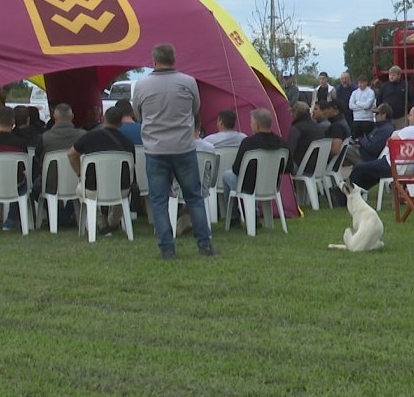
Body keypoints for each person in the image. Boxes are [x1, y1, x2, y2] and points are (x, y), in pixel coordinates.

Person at [133, 43, 216, 259]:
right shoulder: (188, 82)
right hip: (183, 147)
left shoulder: (142, 85)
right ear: (174, 59)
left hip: (155, 149)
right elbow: (195, 108)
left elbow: (138, 112)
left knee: (159, 200)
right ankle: (204, 245)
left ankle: (167, 248)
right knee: (194, 198)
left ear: (154, 60)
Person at [67, 106, 136, 235]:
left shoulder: (89, 137)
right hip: (121, 188)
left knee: (80, 190)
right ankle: (113, 222)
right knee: (123, 192)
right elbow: (132, 167)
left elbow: (71, 154)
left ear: (103, 119)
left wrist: (80, 174)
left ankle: (100, 223)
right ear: (121, 123)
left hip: (93, 188)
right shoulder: (127, 142)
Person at [220, 108, 290, 226]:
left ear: (257, 125)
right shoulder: (282, 144)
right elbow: (287, 169)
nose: (250, 125)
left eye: (251, 122)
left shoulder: (248, 143)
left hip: (249, 186)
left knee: (227, 175)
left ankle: (234, 217)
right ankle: (254, 215)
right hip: (271, 185)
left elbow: (236, 169)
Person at [348, 105, 414, 192]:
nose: (408, 118)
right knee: (370, 173)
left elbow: (389, 142)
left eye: (410, 115)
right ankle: (359, 192)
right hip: (412, 169)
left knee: (358, 168)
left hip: (393, 166)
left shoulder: (410, 131)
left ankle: (347, 196)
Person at [31, 103, 84, 227]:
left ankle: (60, 215)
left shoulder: (44, 138)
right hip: (78, 181)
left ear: (54, 116)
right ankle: (66, 214)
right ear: (72, 117)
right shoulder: (83, 136)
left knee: (35, 189)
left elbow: (38, 160)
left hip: (51, 184)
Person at [287, 101, 325, 174]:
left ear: (295, 113)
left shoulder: (297, 128)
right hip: (317, 166)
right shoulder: (317, 126)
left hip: (301, 167)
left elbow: (289, 150)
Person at [377, 65, 414, 129]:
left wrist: (408, 112)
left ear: (399, 75)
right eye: (390, 75)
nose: (391, 77)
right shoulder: (384, 86)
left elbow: (412, 100)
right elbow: (379, 100)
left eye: (393, 75)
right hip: (387, 119)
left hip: (402, 118)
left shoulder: (406, 85)